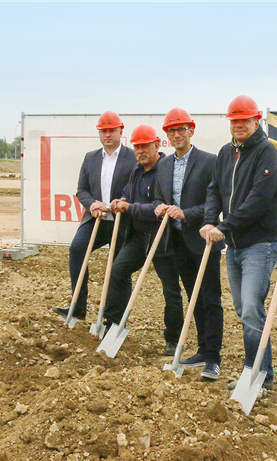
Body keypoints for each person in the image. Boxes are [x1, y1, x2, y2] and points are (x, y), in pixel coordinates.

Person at [200, 95, 277, 391]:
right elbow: (214, 189)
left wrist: (224, 226)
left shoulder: (267, 153)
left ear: (256, 121)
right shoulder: (226, 153)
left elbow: (259, 200)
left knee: (250, 309)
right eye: (234, 120)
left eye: (244, 120)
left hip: (260, 244)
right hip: (234, 245)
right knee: (245, 309)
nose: (238, 125)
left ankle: (254, 375)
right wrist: (210, 221)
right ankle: (262, 373)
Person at [153, 108, 224, 380]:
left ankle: (213, 358)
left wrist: (187, 213)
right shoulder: (163, 165)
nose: (176, 134)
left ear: (191, 130)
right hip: (179, 242)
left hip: (204, 240)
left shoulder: (209, 162)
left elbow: (214, 203)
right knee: (194, 298)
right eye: (171, 130)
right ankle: (203, 350)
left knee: (210, 299)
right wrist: (160, 207)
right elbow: (159, 196)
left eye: (181, 129)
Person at [102, 124, 182, 353]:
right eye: (137, 147)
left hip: (163, 238)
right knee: (117, 271)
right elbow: (128, 194)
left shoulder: (165, 170)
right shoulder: (137, 169)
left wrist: (130, 207)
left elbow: (158, 206)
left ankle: (173, 338)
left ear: (157, 145)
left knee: (170, 290)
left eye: (145, 146)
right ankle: (113, 324)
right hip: (139, 237)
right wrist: (121, 200)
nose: (140, 151)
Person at [53, 111, 136, 321]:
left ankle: (114, 319)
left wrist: (115, 204)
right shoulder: (90, 158)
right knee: (77, 250)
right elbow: (82, 190)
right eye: (103, 131)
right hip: (96, 220)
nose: (108, 134)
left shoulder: (132, 158)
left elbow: (134, 190)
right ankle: (78, 306)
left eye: (112, 130)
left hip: (122, 222)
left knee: (119, 268)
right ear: (99, 133)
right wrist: (92, 204)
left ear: (120, 131)